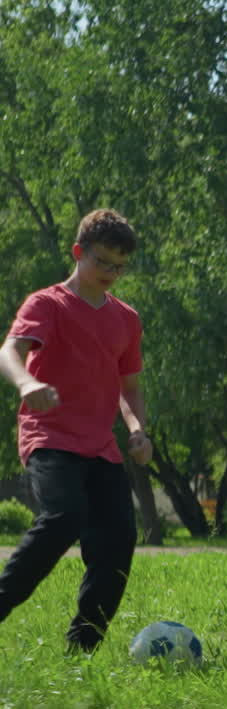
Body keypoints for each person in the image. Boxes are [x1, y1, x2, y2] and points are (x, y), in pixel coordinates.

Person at [0, 207, 152, 652]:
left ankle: (82, 647)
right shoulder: (47, 304)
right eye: (102, 261)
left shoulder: (126, 319)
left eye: (119, 266)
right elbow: (10, 350)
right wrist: (27, 382)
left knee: (119, 539)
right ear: (77, 252)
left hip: (101, 447)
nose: (110, 272)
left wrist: (138, 429)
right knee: (65, 517)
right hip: (49, 437)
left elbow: (130, 386)